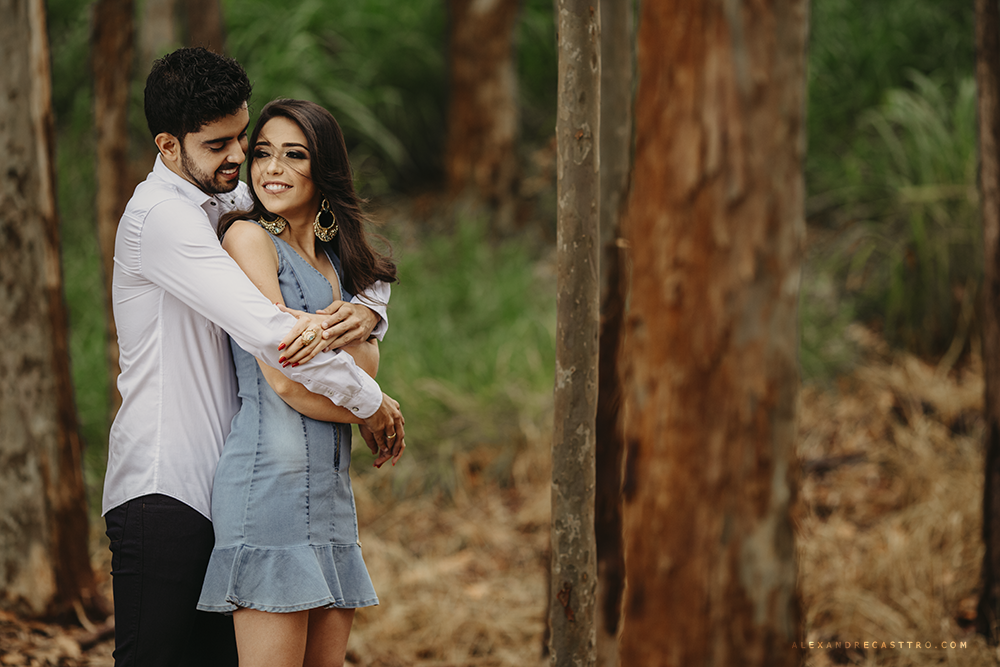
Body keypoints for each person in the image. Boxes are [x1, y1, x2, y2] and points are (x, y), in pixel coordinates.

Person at [103, 48, 405, 667]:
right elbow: (272, 333)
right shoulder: (162, 217)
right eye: (221, 145)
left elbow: (340, 238)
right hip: (165, 489)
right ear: (167, 146)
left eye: (244, 137)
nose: (241, 159)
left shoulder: (221, 193)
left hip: (224, 486)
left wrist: (371, 311)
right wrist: (372, 403)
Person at [196, 98, 399, 667]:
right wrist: (372, 409)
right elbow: (283, 377)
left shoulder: (340, 262)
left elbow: (366, 365)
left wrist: (361, 331)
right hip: (268, 492)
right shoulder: (247, 240)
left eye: (293, 155)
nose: (271, 169)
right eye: (262, 153)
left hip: (332, 497)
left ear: (324, 168)